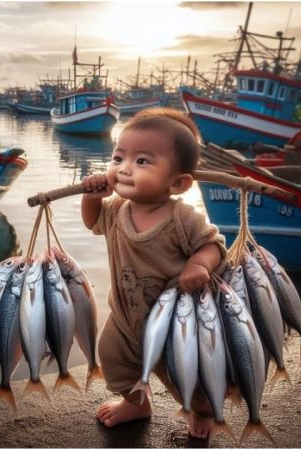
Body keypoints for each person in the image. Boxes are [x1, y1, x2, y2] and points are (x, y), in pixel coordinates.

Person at [80, 108, 226, 439]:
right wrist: (91, 197)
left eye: (142, 161)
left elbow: (214, 246)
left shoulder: (182, 218)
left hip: (176, 324)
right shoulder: (117, 210)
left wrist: (199, 264)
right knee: (112, 357)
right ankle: (136, 403)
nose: (124, 169)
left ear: (177, 183)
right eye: (118, 158)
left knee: (187, 374)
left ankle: (201, 408)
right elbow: (92, 222)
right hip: (125, 317)